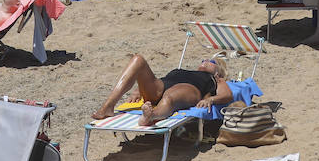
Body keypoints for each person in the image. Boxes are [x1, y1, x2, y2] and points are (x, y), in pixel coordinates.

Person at [93, 54, 232, 124]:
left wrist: (211, 99)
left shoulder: (215, 79)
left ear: (218, 71)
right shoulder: (185, 70)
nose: (205, 61)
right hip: (162, 85)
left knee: (170, 96)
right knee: (138, 59)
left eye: (212, 62)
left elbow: (228, 95)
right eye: (204, 60)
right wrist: (139, 89)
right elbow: (158, 80)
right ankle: (108, 106)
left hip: (190, 89)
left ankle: (151, 116)